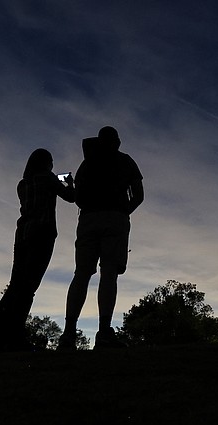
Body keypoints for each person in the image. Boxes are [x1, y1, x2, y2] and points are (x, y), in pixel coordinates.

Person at [58, 126, 144, 350]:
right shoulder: (125, 161)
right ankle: (104, 332)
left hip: (88, 220)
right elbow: (139, 195)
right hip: (114, 219)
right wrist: (123, 211)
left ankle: (68, 334)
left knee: (81, 274)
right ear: (116, 142)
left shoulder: (87, 164)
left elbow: (78, 197)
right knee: (109, 275)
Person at [0, 148, 75, 352]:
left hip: (22, 236)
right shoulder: (48, 179)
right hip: (42, 234)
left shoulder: (22, 184)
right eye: (51, 162)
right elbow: (71, 197)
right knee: (29, 287)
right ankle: (15, 337)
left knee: (15, 286)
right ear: (46, 163)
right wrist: (68, 181)